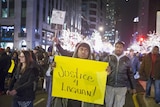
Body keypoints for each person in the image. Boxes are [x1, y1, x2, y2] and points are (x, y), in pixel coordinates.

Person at [52, 42, 103, 107]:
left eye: (86, 50)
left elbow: (97, 84)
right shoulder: (68, 64)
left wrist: (106, 73)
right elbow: (60, 78)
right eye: (81, 49)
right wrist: (55, 69)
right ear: (77, 51)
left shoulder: (94, 67)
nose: (83, 52)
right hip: (69, 100)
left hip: (85, 101)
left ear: (89, 53)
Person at [103, 41, 136, 107]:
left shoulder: (127, 60)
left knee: (119, 105)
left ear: (123, 48)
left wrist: (133, 87)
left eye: (120, 47)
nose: (118, 49)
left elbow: (130, 74)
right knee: (108, 104)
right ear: (115, 47)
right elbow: (101, 71)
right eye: (117, 47)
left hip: (122, 87)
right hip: (109, 85)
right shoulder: (108, 58)